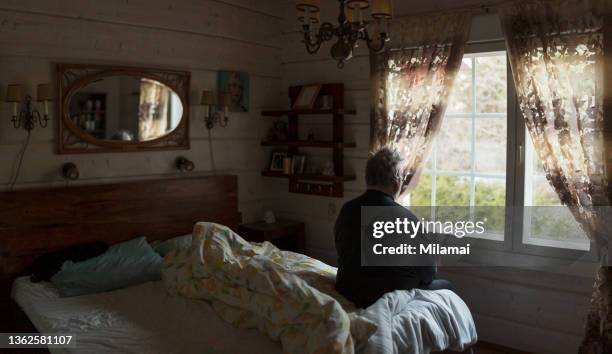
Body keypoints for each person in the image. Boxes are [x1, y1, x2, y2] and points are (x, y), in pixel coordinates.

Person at [334, 147, 452, 308]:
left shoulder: (347, 209)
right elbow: (428, 275)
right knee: (447, 286)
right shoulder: (407, 219)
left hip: (347, 290)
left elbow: (344, 252)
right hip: (380, 298)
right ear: (396, 184)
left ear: (368, 179)